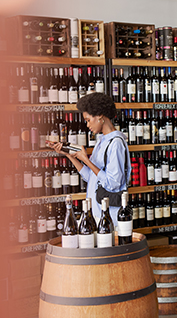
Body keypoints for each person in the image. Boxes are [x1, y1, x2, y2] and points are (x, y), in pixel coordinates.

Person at [51, 93, 131, 222]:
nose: (87, 125)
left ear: (100, 116)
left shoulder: (116, 143)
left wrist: (86, 160)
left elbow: (114, 184)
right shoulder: (101, 141)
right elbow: (91, 177)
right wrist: (69, 155)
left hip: (111, 216)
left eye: (88, 120)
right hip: (98, 214)